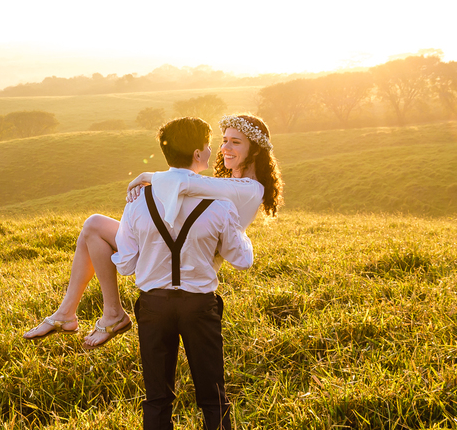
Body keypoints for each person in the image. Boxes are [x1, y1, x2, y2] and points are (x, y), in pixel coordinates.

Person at [20, 113, 281, 347]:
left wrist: (149, 177)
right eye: (224, 141)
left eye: (236, 142)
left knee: (95, 226)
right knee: (93, 226)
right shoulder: (233, 183)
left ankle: (107, 314)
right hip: (178, 250)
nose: (225, 148)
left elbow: (187, 183)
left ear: (255, 149)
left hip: (186, 262)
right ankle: (77, 312)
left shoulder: (250, 189)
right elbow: (191, 187)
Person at [111, 116, 258, 430]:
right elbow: (242, 260)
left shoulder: (138, 201)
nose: (214, 151)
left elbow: (125, 264)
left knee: (157, 398)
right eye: (210, 145)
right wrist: (237, 233)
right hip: (199, 307)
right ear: (197, 153)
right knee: (213, 397)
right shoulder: (220, 203)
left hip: (153, 307)